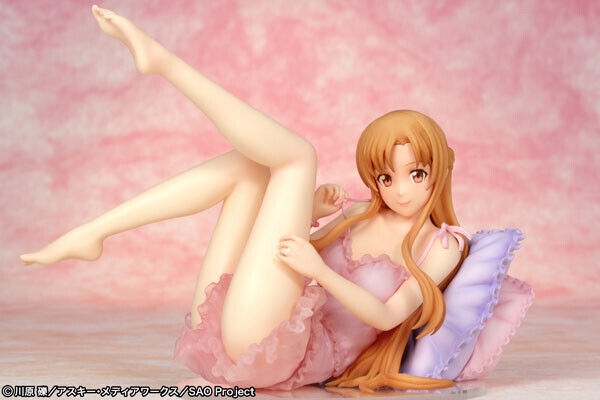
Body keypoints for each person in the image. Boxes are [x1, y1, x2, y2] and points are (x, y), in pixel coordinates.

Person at [20, 5, 533, 393]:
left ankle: (166, 64)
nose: (399, 190)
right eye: (385, 177)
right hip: (230, 326)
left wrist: (320, 269)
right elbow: (285, 258)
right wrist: (310, 215)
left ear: (438, 170)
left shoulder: (441, 245)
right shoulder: (360, 212)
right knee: (250, 169)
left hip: (283, 355)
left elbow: (386, 316)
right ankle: (94, 232)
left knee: (297, 157)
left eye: (415, 174)